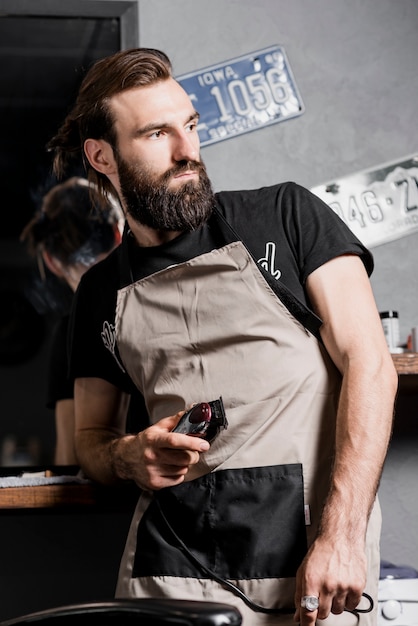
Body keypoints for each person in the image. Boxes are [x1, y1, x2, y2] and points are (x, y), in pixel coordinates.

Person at [47, 48, 397, 625]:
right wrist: (129, 457)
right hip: (169, 572)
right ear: (101, 155)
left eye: (190, 125)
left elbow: (371, 366)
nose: (188, 152)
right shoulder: (100, 292)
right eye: (158, 133)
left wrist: (341, 535)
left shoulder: (286, 216)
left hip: (308, 563)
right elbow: (90, 438)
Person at [20, 177, 125, 464]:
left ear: (51, 261)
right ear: (119, 232)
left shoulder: (73, 332)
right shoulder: (161, 300)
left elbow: (70, 463)